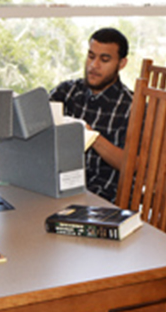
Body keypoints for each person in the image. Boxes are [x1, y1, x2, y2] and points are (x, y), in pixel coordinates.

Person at [50, 27, 133, 202]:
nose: (94, 65)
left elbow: (131, 166)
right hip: (59, 188)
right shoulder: (66, 92)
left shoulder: (131, 107)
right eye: (91, 56)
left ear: (122, 64)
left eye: (105, 59)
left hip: (102, 197)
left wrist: (91, 136)